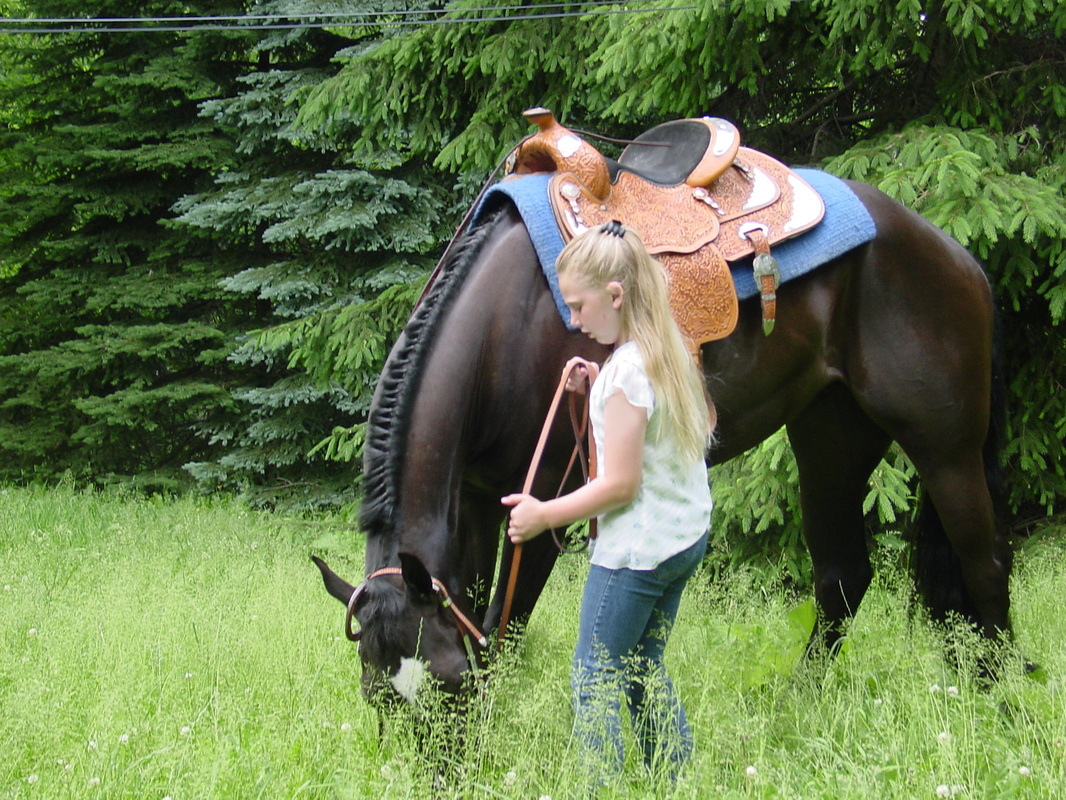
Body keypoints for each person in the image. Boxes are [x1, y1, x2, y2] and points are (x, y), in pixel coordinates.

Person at [501, 220, 714, 785]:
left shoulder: (626, 373)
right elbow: (646, 427)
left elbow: (618, 486)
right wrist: (600, 386)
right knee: (643, 663)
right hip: (682, 537)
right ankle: (676, 778)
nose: (573, 320)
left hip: (636, 555)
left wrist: (544, 513)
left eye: (578, 305)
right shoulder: (661, 349)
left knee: (595, 673)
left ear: (615, 295)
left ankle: (600, 787)